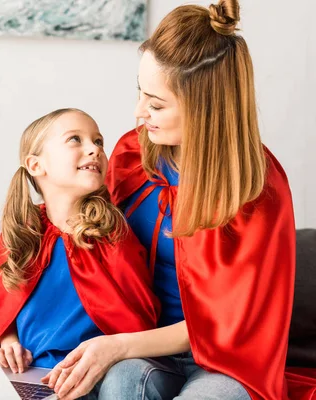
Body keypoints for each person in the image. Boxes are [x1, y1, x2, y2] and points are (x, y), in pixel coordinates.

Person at [41, 1, 316, 399]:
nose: (139, 113)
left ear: (204, 108)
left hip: (227, 359)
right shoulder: (132, 155)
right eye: (141, 94)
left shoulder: (258, 187)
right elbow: (85, 253)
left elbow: (226, 321)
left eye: (156, 104)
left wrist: (118, 345)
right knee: (122, 381)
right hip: (145, 346)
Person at [0, 108, 159, 398]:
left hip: (87, 377)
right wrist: (8, 342)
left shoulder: (112, 233)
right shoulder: (21, 233)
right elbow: (0, 308)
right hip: (28, 377)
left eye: (98, 141)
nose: (95, 149)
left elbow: (136, 319)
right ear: (36, 165)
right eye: (75, 140)